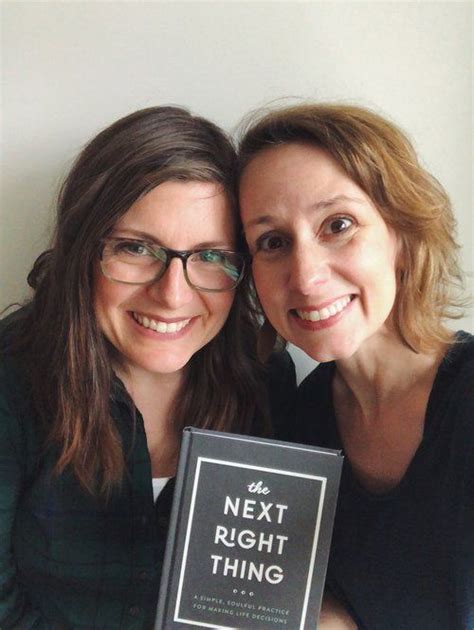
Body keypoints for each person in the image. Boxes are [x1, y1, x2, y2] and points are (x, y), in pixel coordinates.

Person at [0, 106, 295, 629]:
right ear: (81, 251)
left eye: (211, 256)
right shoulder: (11, 380)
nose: (171, 294)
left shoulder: (266, 380)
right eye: (136, 248)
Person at [237, 103, 473, 630]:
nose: (305, 276)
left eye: (337, 225)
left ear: (402, 237)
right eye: (272, 242)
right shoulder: (296, 421)